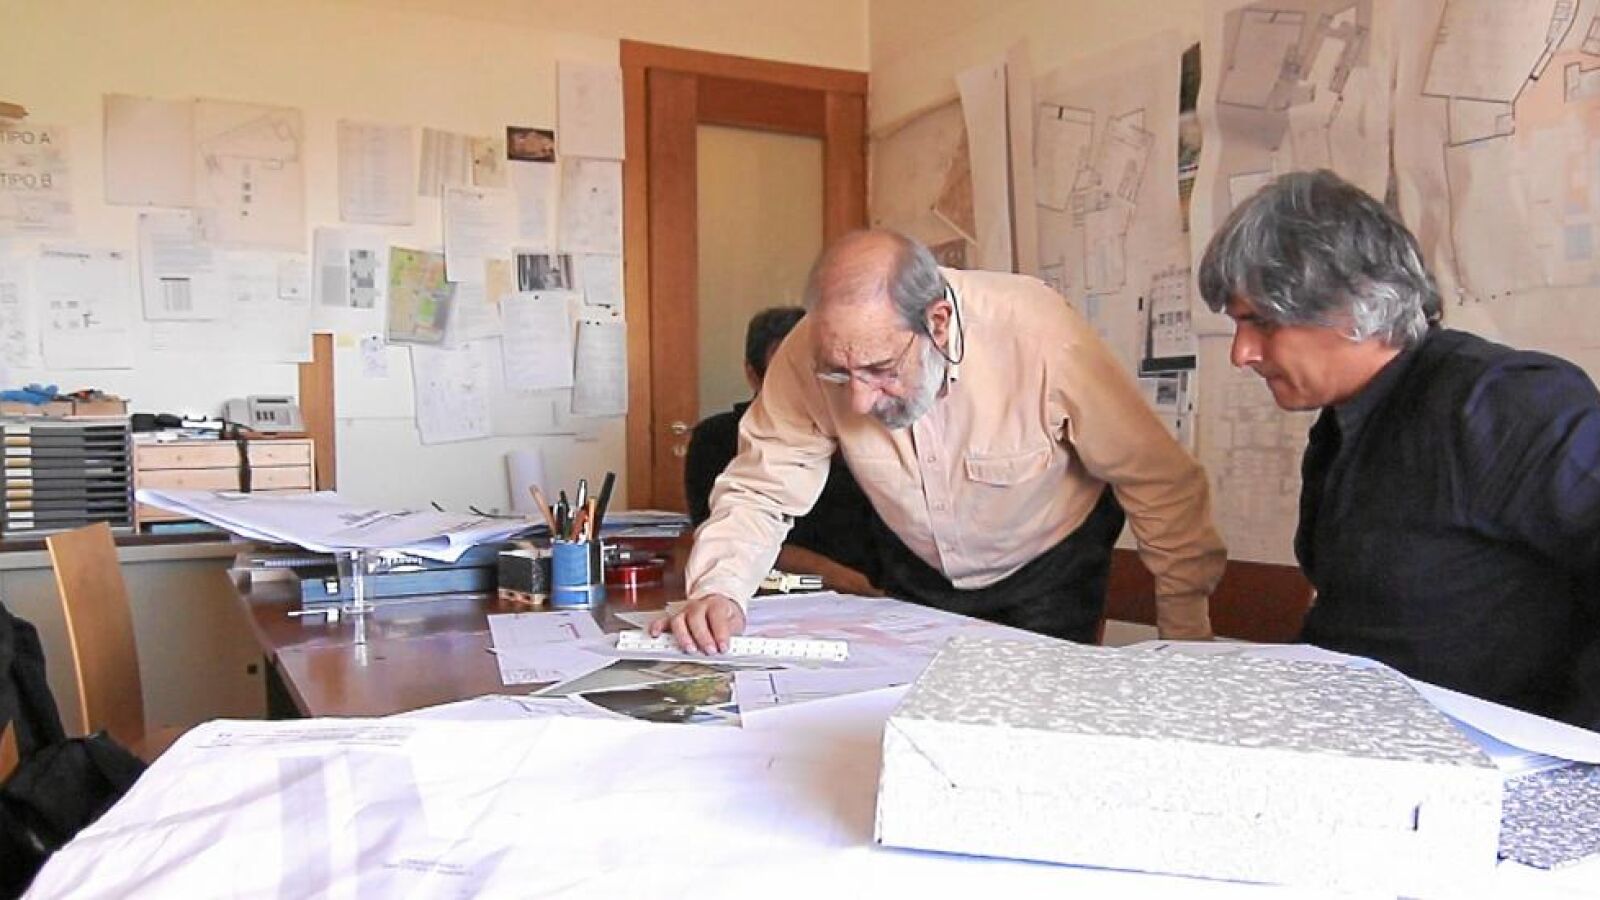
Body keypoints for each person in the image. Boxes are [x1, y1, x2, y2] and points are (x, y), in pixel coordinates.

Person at [654, 229, 1226, 653]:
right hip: (916, 560)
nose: (859, 402)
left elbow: (1158, 480)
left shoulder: (1040, 335)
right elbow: (760, 488)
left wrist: (1185, 639)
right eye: (839, 375)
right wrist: (720, 588)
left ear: (939, 322)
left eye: (880, 369)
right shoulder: (808, 352)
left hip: (1049, 562)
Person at [1198, 168, 1600, 729]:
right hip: (1372, 744)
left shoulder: (1501, 403)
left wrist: (1575, 751)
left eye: (1261, 323)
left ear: (1351, 304)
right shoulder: (1344, 423)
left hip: (1496, 759)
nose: (1241, 353)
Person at [684, 307, 883, 597]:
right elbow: (731, 535)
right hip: (783, 591)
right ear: (753, 375)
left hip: (883, 595)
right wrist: (848, 582)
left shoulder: (860, 420)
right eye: (783, 373)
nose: (803, 387)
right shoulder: (717, 438)